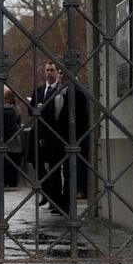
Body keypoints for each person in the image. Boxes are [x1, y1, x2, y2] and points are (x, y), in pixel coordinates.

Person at [42, 69, 88, 215]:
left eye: (64, 73)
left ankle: (67, 204)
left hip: (69, 139)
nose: (61, 76)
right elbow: (46, 116)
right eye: (60, 73)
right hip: (53, 139)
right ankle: (55, 203)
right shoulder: (52, 92)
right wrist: (43, 136)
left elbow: (81, 119)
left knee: (69, 172)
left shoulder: (78, 94)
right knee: (54, 171)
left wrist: (78, 139)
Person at [27, 61, 59, 207]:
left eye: (52, 70)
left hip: (52, 133)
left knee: (54, 167)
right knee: (36, 162)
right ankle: (45, 192)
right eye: (47, 70)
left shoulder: (59, 89)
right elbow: (29, 110)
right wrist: (36, 108)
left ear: (57, 72)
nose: (49, 73)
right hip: (37, 132)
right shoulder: (39, 91)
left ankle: (54, 199)